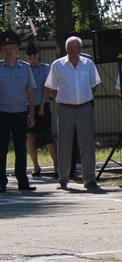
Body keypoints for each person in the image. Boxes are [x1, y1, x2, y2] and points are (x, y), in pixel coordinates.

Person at [45, 36, 101, 190]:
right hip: (65, 109)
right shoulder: (58, 65)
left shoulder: (88, 64)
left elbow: (94, 86)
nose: (73, 51)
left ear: (80, 49)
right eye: (70, 48)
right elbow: (51, 88)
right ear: (66, 49)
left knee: (87, 144)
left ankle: (89, 178)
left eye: (75, 48)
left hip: (85, 108)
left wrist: (84, 99)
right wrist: (63, 100)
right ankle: (63, 178)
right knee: (64, 144)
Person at [0, 30, 36, 193]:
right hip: (1, 113)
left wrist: (32, 114)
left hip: (21, 113)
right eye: (5, 48)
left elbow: (31, 92)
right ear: (2, 51)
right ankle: (1, 182)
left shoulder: (26, 68)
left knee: (21, 148)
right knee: (1, 149)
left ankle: (23, 181)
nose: (8, 51)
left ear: (17, 50)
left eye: (11, 47)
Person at [24, 42, 57, 177]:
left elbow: (46, 88)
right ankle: (36, 166)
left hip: (41, 105)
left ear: (38, 56)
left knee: (47, 136)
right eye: (30, 58)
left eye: (35, 58)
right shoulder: (23, 69)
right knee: (29, 136)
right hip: (27, 106)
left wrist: (42, 106)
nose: (33, 61)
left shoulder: (45, 68)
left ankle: (56, 165)